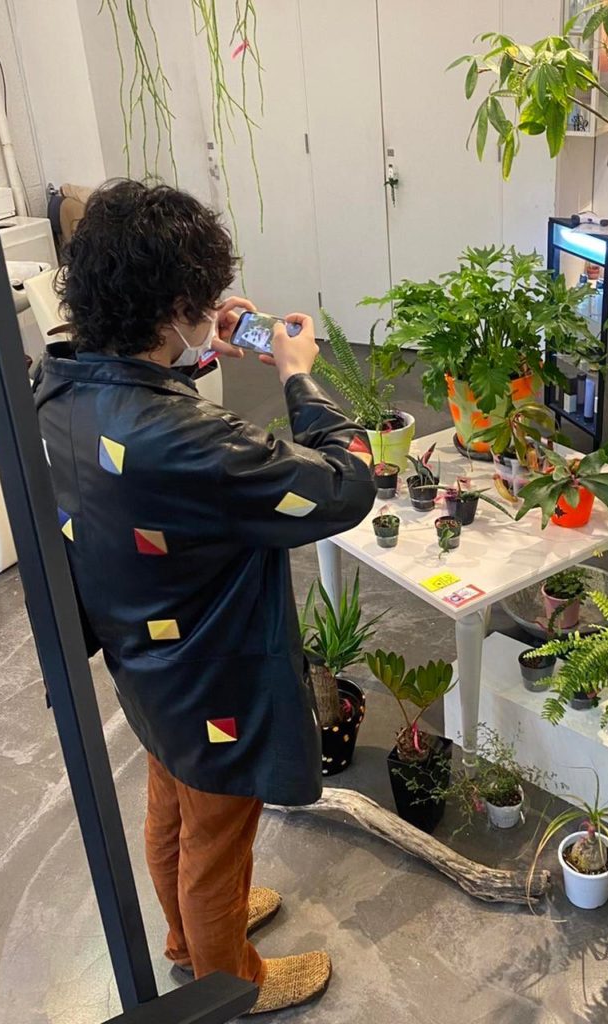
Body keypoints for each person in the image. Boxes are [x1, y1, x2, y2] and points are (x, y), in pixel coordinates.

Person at [34, 180, 375, 1014]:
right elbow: (344, 485)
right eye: (202, 302)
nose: (212, 312)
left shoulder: (64, 379)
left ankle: (189, 940)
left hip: (146, 654)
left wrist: (200, 347)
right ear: (174, 306)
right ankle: (232, 983)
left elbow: (158, 432)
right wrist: (298, 377)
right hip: (212, 670)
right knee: (219, 836)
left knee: (173, 804)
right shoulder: (184, 441)